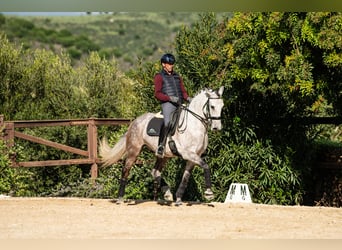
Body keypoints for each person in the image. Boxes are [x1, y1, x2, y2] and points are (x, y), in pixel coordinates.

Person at [154, 53, 191, 158]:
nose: (171, 66)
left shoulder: (177, 76)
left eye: (172, 64)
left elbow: (183, 91)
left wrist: (188, 98)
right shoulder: (159, 77)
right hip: (168, 104)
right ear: (163, 64)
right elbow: (157, 94)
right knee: (167, 122)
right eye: (169, 64)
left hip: (179, 103)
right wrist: (169, 98)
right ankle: (161, 146)